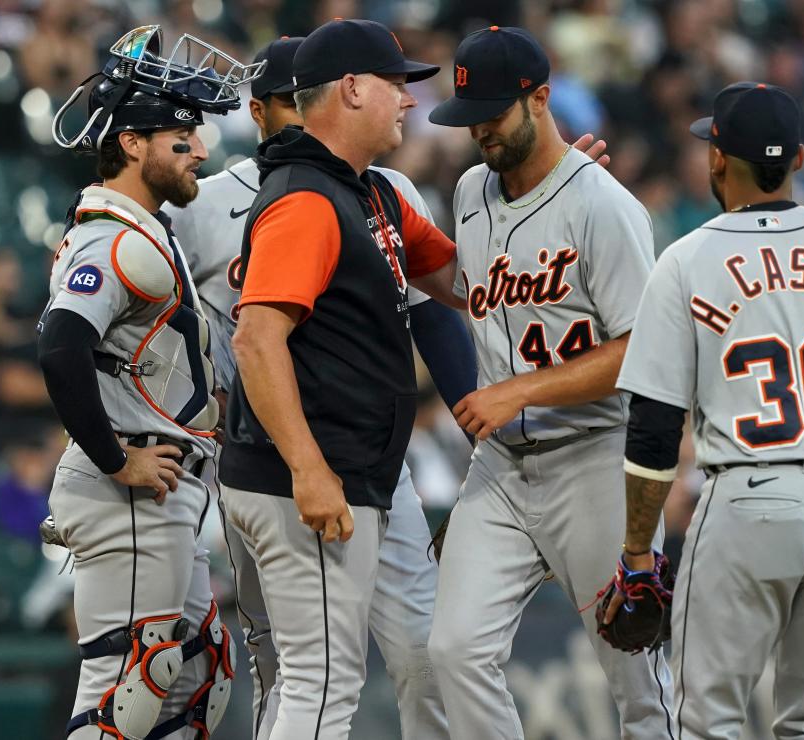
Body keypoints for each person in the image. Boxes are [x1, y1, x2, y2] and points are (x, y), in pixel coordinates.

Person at [166, 35, 476, 740]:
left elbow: (463, 281)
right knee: (322, 680)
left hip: (342, 464)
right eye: (396, 83)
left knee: (325, 674)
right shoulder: (307, 198)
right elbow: (255, 337)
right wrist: (308, 468)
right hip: (302, 469)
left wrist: (540, 198)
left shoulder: (365, 190)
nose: (409, 99)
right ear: (351, 90)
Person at [602, 81, 804, 738]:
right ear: (801, 160)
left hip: (750, 501)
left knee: (710, 722)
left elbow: (655, 426)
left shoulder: (688, 260)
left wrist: (637, 550)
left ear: (716, 159)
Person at [425, 26, 675, 739]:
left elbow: (642, 349)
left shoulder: (605, 206)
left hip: (593, 460)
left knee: (635, 673)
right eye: (471, 117)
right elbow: (473, 287)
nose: (480, 131)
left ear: (541, 97)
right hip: (501, 467)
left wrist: (520, 390)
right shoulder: (473, 187)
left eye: (496, 114)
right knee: (453, 649)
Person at [38, 25, 262, 740]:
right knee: (128, 692)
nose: (199, 149)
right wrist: (116, 457)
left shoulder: (145, 228)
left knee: (197, 679)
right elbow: (60, 344)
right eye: (179, 134)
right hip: (127, 484)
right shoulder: (114, 237)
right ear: (131, 143)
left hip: (159, 489)